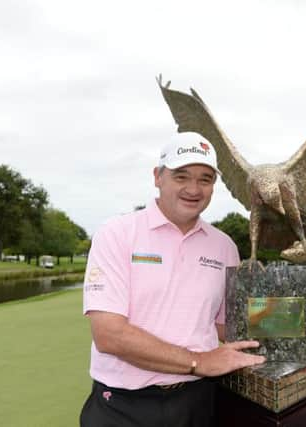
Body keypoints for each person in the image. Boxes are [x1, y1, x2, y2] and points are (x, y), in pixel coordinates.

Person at [80, 132, 265, 427]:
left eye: (205, 179)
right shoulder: (116, 233)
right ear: (158, 177)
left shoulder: (224, 246)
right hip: (123, 407)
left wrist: (305, 344)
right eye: (182, 176)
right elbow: (109, 335)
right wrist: (199, 362)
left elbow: (229, 325)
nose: (194, 188)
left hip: (199, 401)